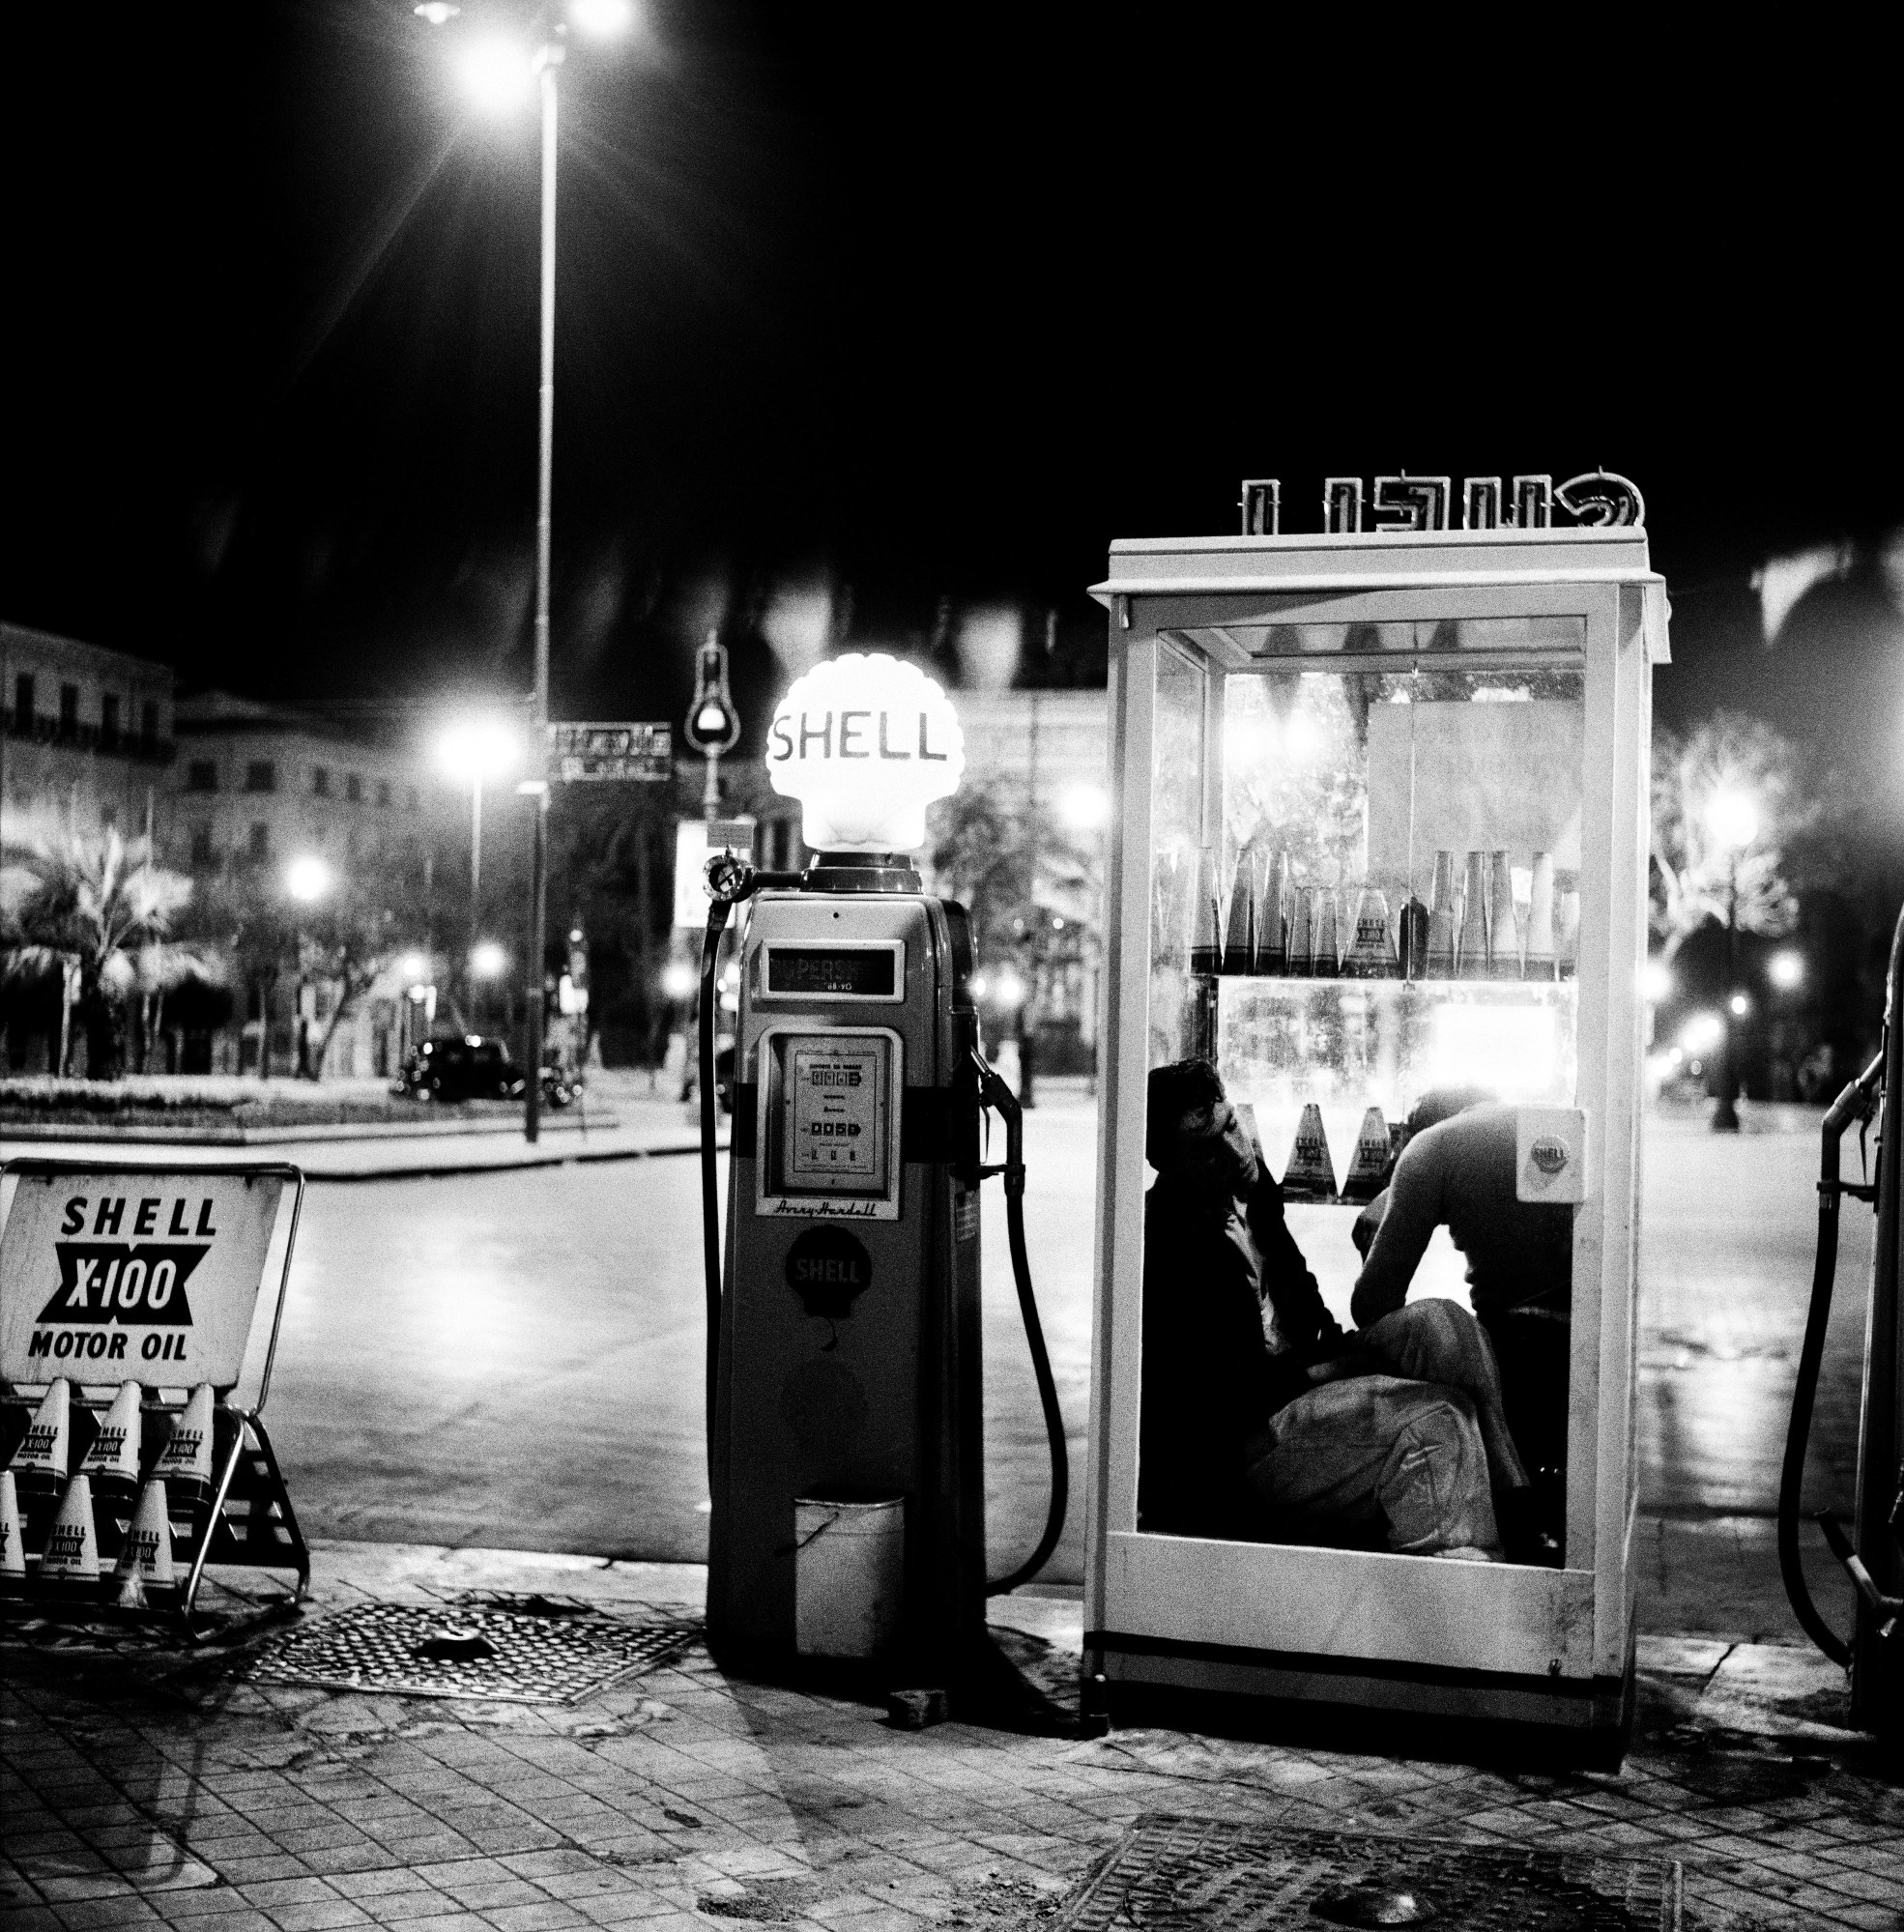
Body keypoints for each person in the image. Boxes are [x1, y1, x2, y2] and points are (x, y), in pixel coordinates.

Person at [1140, 1059, 1528, 1561]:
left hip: (1300, 1377)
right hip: (1243, 1440)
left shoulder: (1253, 1194)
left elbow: (1307, 1308)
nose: (1234, 1151)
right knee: (1434, 1421)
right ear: (1167, 1164)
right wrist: (1341, 1371)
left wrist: (1345, 1359)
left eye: (1232, 1125)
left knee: (1443, 1325)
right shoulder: (1166, 1239)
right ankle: (1458, 1590)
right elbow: (1227, 1395)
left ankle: (1519, 1499)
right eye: (1205, 1147)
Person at [1350, 1090, 1573, 1546]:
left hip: (1517, 1347)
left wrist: (1376, 1221)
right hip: (1580, 1340)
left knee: (1437, 1325)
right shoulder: (1543, 1123)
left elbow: (1372, 1305)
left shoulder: (1432, 1147)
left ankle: (1508, 1499)